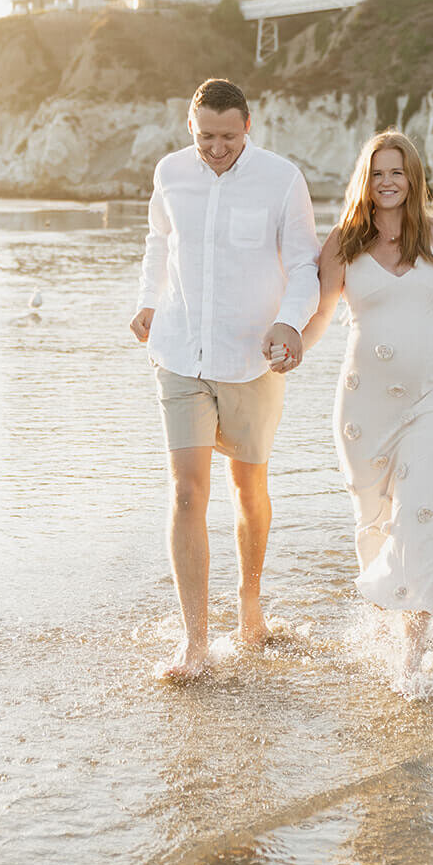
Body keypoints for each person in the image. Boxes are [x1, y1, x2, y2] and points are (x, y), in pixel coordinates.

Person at [130, 77, 319, 680]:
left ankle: (251, 605)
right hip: (180, 351)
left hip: (251, 358)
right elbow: (159, 242)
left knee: (248, 491)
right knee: (187, 491)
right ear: (191, 126)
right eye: (206, 136)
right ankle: (195, 642)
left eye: (228, 137)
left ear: (248, 126)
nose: (217, 148)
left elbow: (303, 265)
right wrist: (148, 301)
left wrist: (290, 325)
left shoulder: (282, 179)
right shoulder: (170, 173)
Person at [300, 130, 433, 680]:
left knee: (418, 512)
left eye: (397, 172)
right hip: (364, 407)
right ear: (366, 179)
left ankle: (412, 656)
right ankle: (383, 626)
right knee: (374, 521)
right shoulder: (341, 245)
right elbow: (324, 316)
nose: (387, 182)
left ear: (413, 178)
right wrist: (289, 348)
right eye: (377, 172)